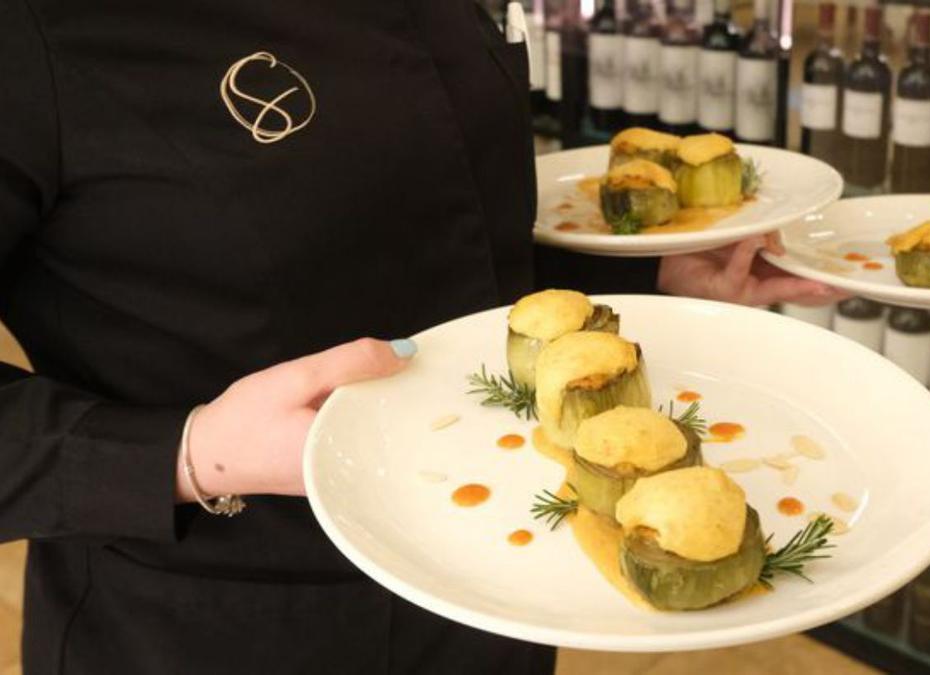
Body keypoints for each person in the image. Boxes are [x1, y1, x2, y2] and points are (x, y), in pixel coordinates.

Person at [0, 1, 838, 673]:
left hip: (484, 577)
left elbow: (436, 242)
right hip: (221, 617)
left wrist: (644, 280)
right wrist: (187, 453)